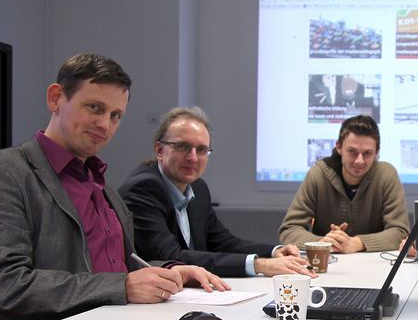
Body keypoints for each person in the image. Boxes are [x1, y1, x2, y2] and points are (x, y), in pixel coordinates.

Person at [0, 54, 228, 320]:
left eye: (115, 115)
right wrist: (122, 286)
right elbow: (5, 285)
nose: (104, 124)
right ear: (56, 98)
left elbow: (114, 267)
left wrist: (169, 271)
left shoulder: (100, 183)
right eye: (94, 108)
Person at [118, 107, 313, 278]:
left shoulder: (198, 188)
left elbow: (222, 242)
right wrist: (258, 265)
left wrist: (274, 251)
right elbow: (170, 257)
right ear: (160, 150)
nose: (193, 157)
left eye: (201, 150)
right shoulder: (143, 189)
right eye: (183, 147)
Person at [279, 115, 409, 253]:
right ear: (339, 147)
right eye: (352, 152)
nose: (359, 160)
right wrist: (322, 243)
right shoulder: (318, 174)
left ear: (377, 152)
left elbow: (400, 231)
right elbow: (289, 229)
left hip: (375, 264)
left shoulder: (386, 175)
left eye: (367, 153)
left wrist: (358, 243)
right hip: (327, 263)